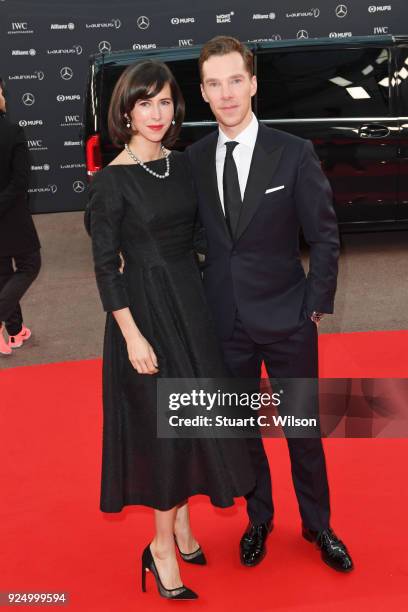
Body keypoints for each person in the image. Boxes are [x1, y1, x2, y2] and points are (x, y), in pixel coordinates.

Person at [85, 60, 256, 601]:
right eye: (143, 104)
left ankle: (180, 525)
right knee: (170, 428)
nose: (155, 114)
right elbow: (104, 267)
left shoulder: (182, 165)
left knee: (195, 414)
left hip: (191, 304)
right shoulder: (113, 181)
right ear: (126, 111)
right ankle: (160, 547)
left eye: (163, 102)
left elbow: (207, 235)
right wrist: (132, 336)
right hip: (147, 315)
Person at [187, 36, 354, 572]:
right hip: (224, 323)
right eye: (215, 84)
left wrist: (315, 306)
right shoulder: (191, 161)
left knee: (303, 432)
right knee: (243, 431)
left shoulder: (293, 152)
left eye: (235, 80)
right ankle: (259, 518)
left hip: (288, 320)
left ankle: (318, 524)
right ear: (204, 93)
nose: (226, 93)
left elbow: (324, 236)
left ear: (253, 83)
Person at [0, 77, 41, 356]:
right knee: (30, 264)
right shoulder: (13, 131)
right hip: (12, 214)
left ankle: (14, 332)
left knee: (3, 274)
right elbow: (21, 180)